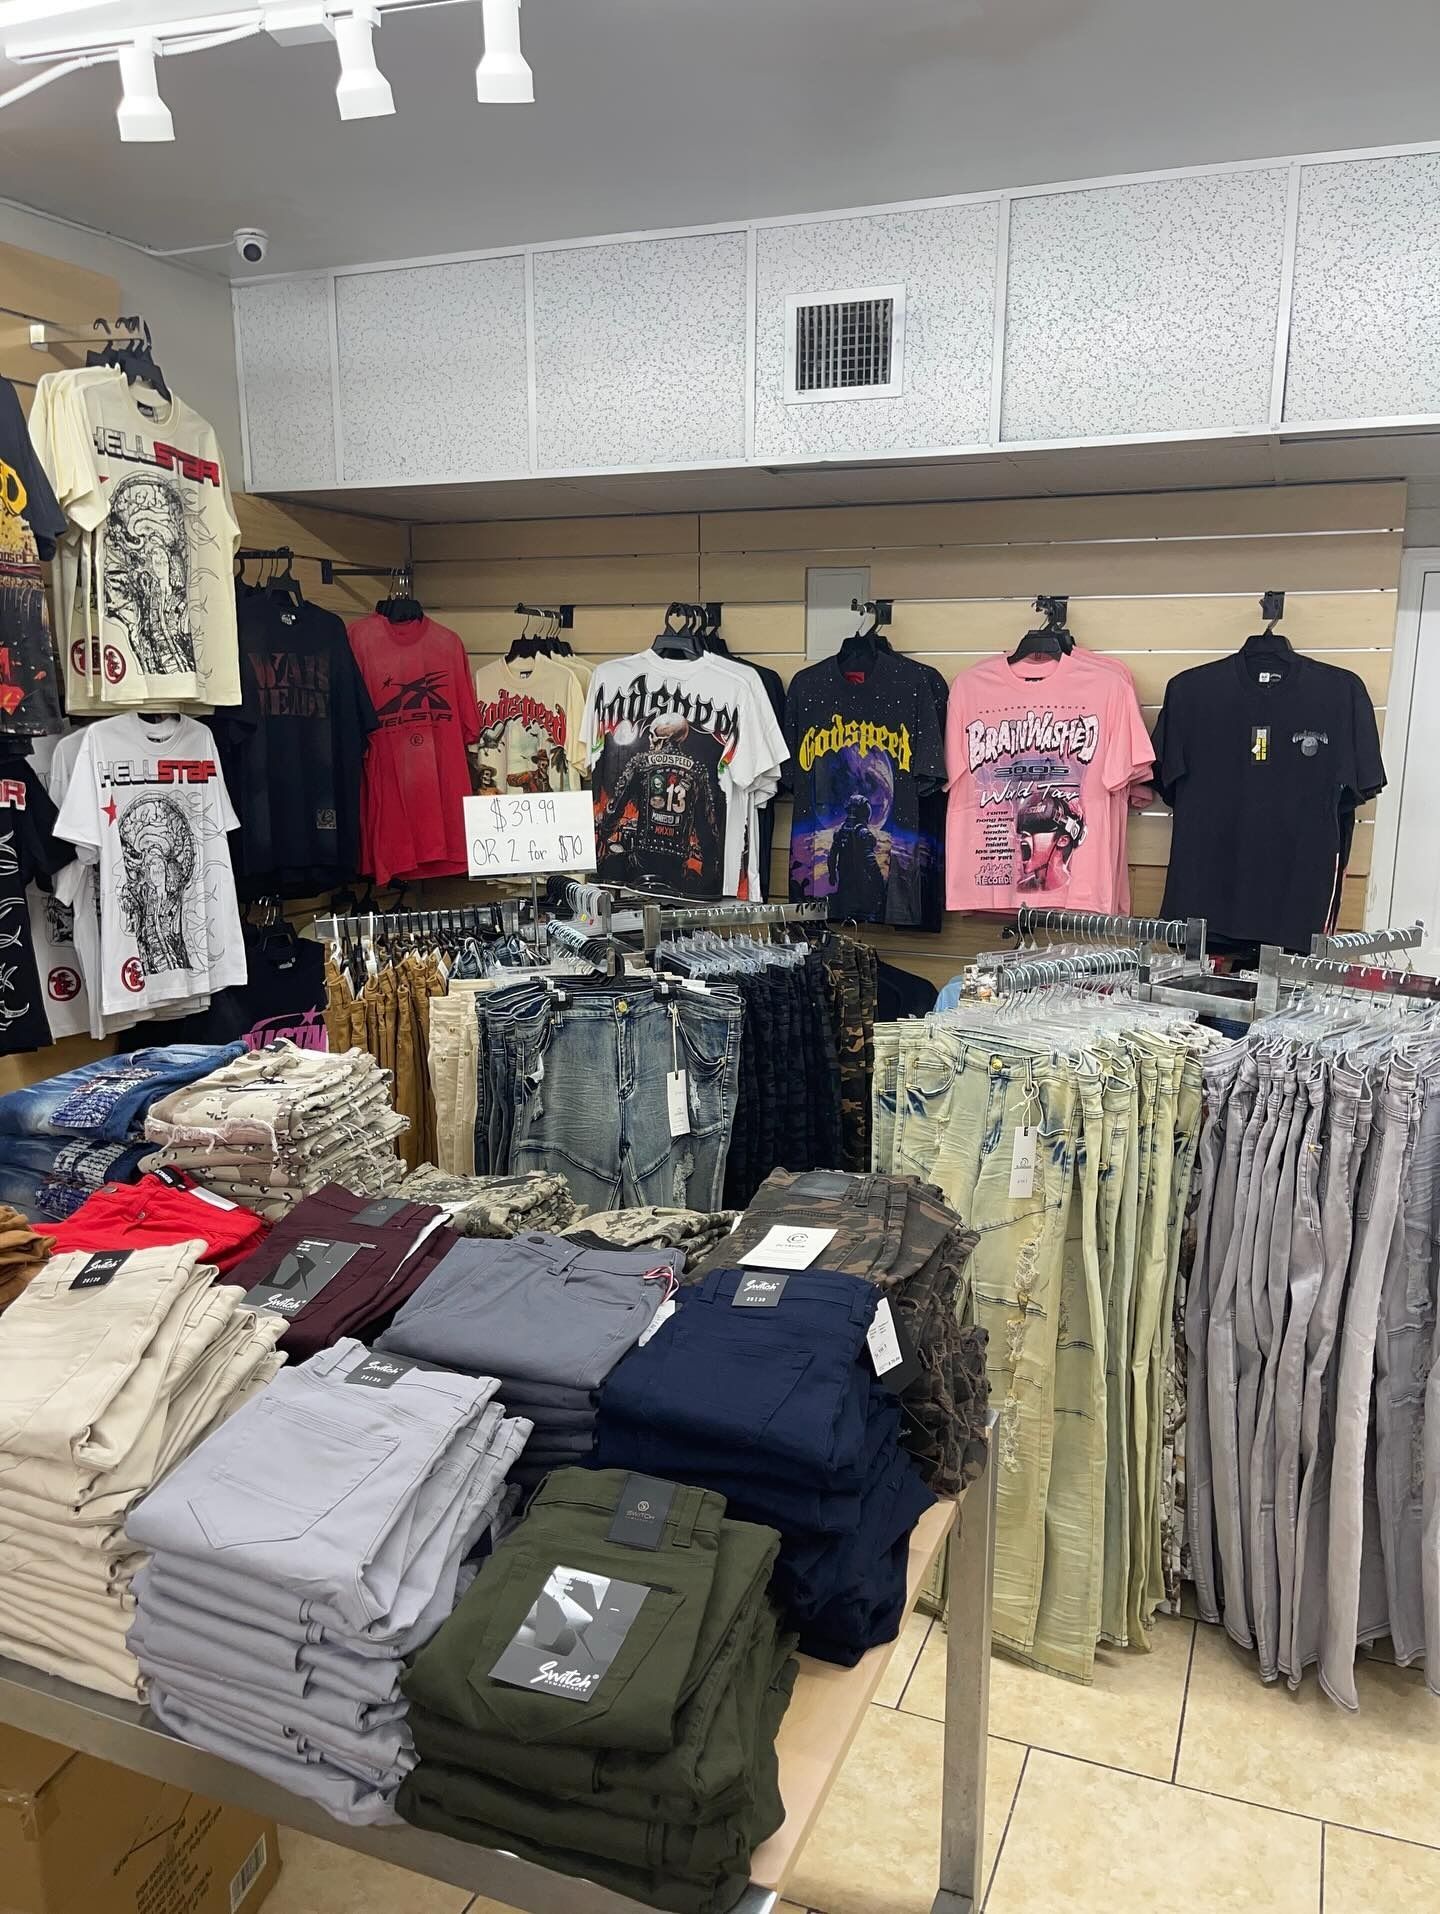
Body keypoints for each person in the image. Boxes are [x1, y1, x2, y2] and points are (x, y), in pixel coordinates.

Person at [1016, 789, 1085, 892]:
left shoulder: (1078, 892)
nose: (1024, 838)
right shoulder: (1021, 889)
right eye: (1023, 830)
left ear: (1063, 840)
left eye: (1036, 828)